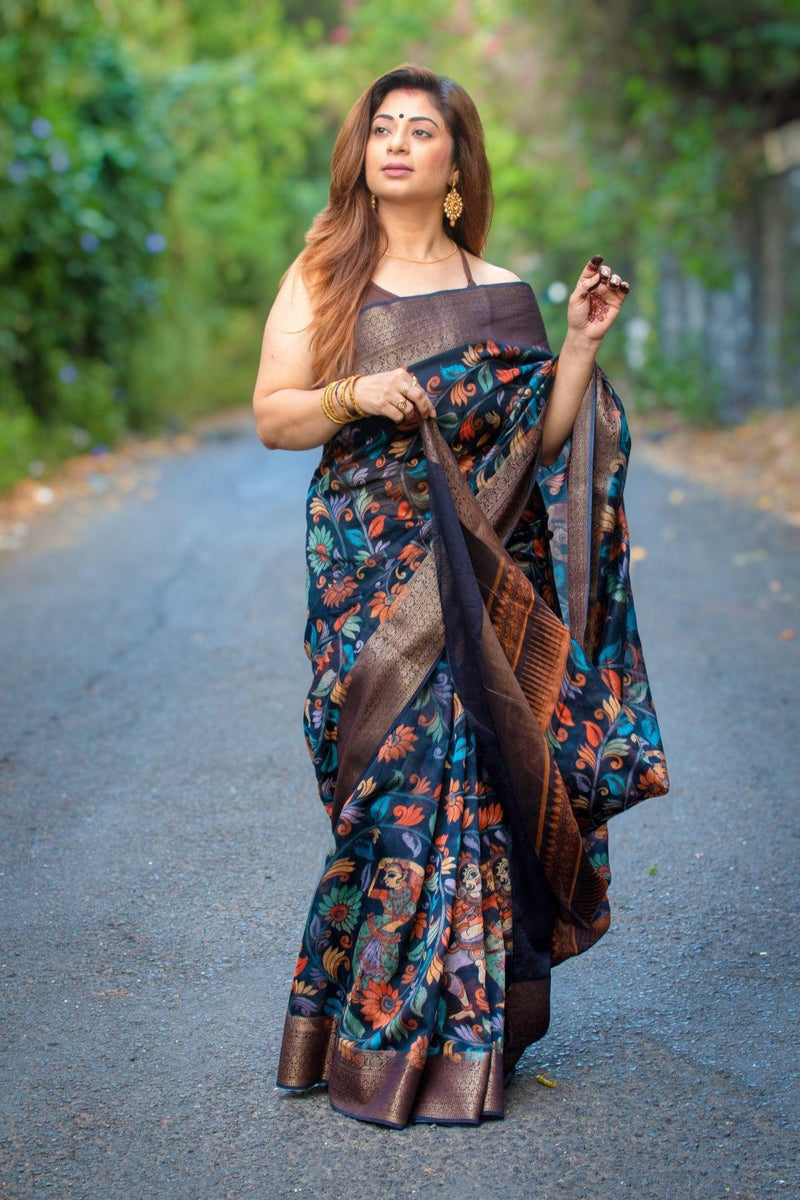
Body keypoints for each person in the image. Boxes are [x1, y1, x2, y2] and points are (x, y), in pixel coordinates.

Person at [253, 64, 669, 1128]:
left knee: (463, 778)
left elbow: (545, 443)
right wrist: (352, 392)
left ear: (452, 162)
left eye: (419, 130)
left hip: (475, 571)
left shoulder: (501, 293)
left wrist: (574, 342)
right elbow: (274, 416)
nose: (395, 143)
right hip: (368, 562)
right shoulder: (321, 277)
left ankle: (450, 1039)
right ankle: (372, 1022)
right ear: (362, 154)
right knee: (387, 789)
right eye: (380, 128)